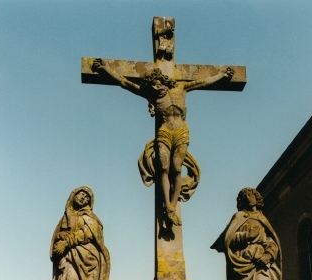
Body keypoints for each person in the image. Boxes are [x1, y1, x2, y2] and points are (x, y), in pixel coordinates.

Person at [92, 59, 233, 226]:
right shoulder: (152, 94)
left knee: (177, 168)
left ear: (163, 82)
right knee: (163, 168)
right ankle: (167, 205)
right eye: (152, 86)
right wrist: (105, 69)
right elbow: (125, 82)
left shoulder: (181, 88)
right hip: (164, 131)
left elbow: (203, 82)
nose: (155, 87)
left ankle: (173, 205)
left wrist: (222, 75)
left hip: (181, 132)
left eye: (157, 84)